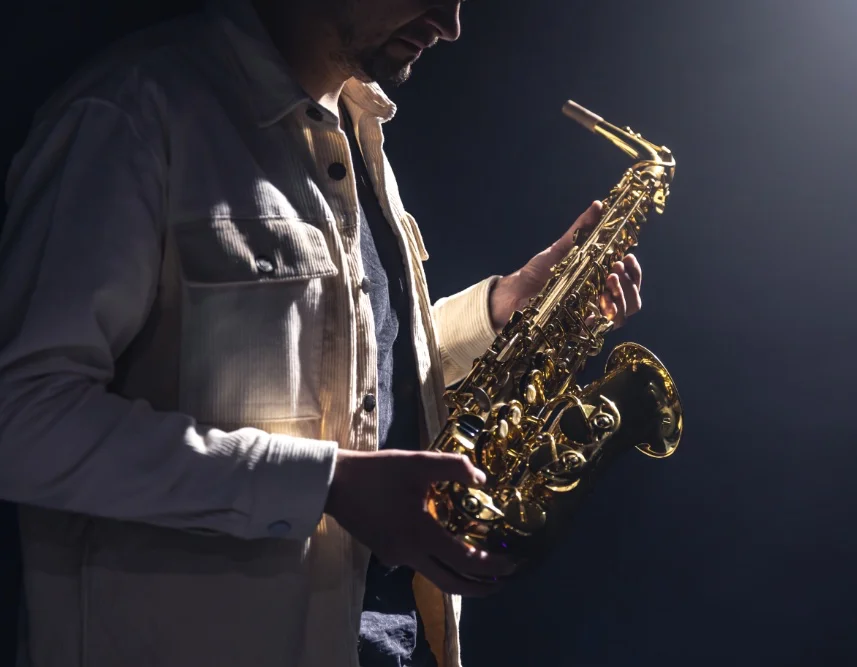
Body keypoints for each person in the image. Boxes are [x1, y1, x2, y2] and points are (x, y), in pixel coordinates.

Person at [0, 0, 645, 665]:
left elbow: (356, 383)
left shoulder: (361, 139)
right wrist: (325, 485)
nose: (451, 24)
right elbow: (19, 418)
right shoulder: (134, 112)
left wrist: (504, 309)